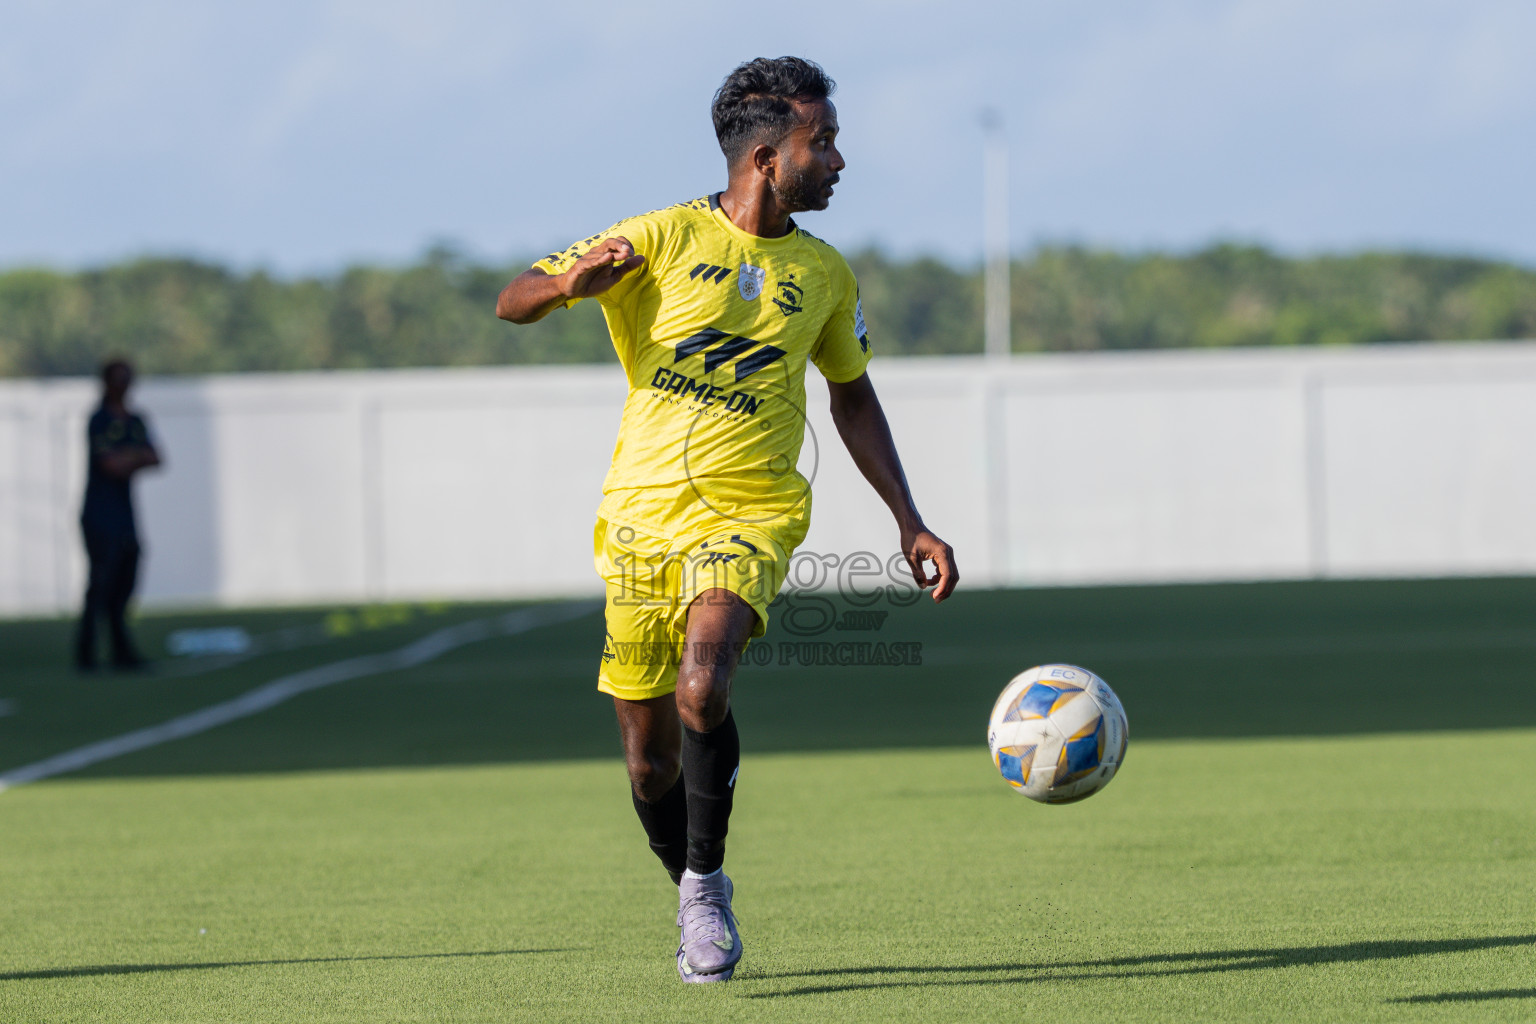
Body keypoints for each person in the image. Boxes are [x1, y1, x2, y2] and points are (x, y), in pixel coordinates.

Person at [495, 56, 958, 983]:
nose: (837, 158)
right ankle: (690, 881)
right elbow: (513, 301)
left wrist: (910, 518)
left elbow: (853, 400)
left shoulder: (824, 274)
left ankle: (704, 888)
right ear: (764, 155)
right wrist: (571, 283)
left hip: (751, 513)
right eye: (820, 142)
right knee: (647, 763)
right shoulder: (658, 237)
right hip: (639, 520)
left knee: (704, 687)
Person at [75, 358, 161, 671]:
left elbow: (156, 457)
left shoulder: (136, 420)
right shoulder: (99, 420)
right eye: (118, 379)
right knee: (101, 581)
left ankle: (120, 650)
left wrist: (128, 457)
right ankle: (86, 653)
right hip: (99, 512)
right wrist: (133, 456)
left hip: (125, 513)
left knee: (126, 579)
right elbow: (109, 465)